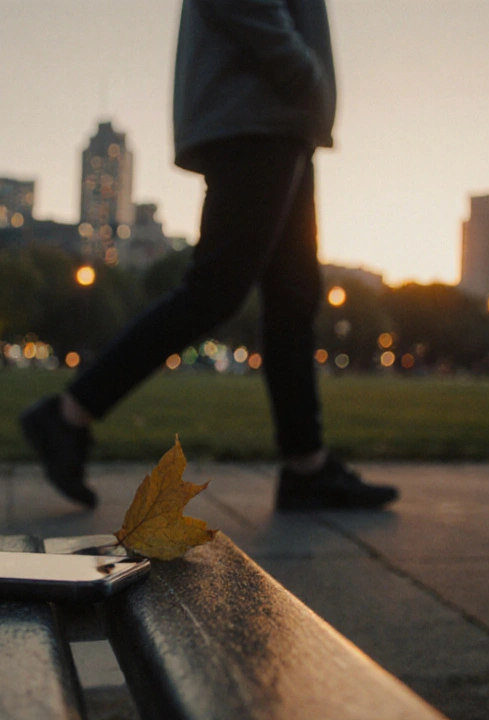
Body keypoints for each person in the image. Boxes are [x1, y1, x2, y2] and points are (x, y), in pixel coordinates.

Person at [20, 0, 398, 512]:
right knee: (216, 289)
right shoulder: (277, 91)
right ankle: (67, 414)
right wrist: (304, 75)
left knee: (293, 301)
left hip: (281, 121)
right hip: (258, 113)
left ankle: (306, 466)